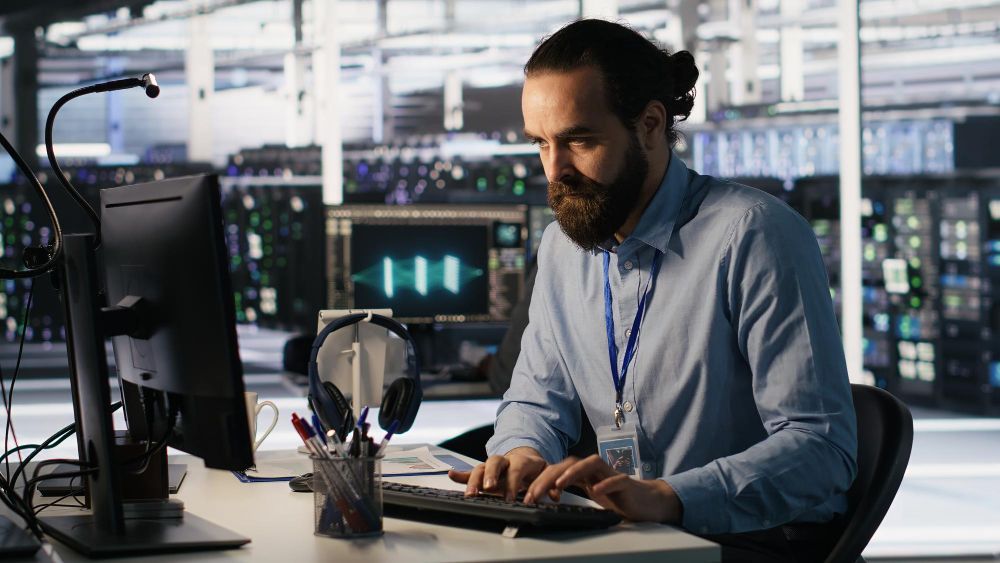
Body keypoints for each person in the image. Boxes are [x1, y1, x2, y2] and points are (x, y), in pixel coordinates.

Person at [447, 19, 857, 562]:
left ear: (650, 125)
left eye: (579, 140)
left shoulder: (755, 235)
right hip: (630, 536)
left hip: (749, 540)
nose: (555, 170)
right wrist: (521, 451)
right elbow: (536, 399)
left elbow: (822, 449)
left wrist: (668, 498)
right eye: (541, 144)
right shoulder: (562, 249)